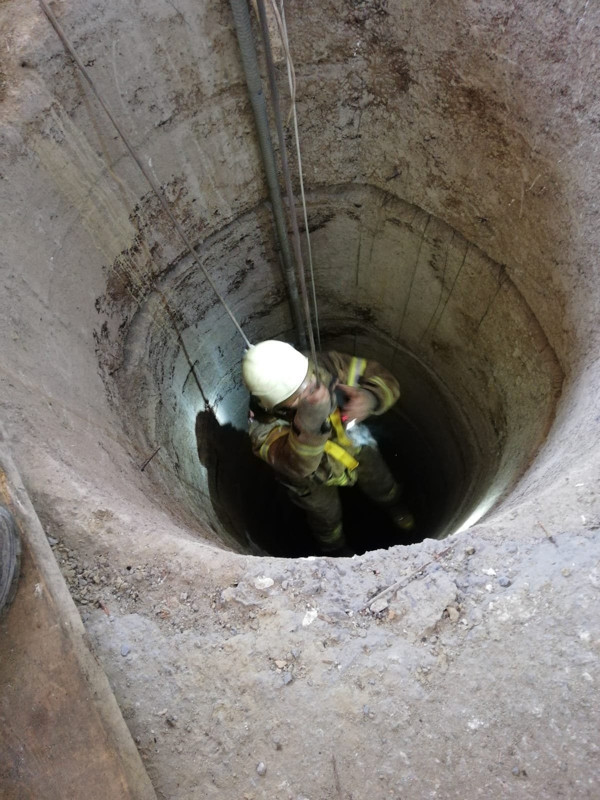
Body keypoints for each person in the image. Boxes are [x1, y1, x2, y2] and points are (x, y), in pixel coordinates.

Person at [242, 340, 414, 555]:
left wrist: (371, 397)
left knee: (382, 482)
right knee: (326, 517)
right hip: (312, 479)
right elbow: (299, 466)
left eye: (311, 383)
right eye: (298, 398)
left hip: (352, 443)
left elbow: (386, 379)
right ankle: (335, 549)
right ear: (274, 406)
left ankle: (394, 506)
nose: (311, 393)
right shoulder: (262, 427)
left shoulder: (328, 365)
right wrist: (310, 422)